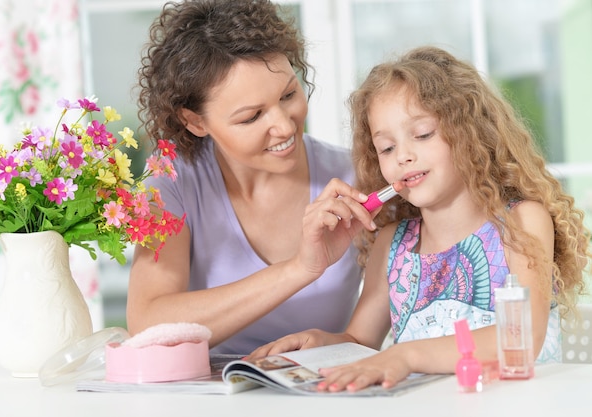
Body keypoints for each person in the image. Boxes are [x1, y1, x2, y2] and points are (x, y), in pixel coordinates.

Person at [249, 46, 591, 392]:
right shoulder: (391, 244)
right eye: (387, 148)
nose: (404, 156)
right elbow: (360, 341)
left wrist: (405, 355)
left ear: (471, 132)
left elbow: (523, 336)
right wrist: (320, 344)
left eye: (423, 134)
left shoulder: (520, 223)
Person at [126, 0, 376, 355]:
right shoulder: (172, 184)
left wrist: (344, 345)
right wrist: (299, 269)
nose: (284, 125)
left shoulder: (356, 176)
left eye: (289, 94)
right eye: (251, 117)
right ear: (195, 122)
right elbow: (148, 323)